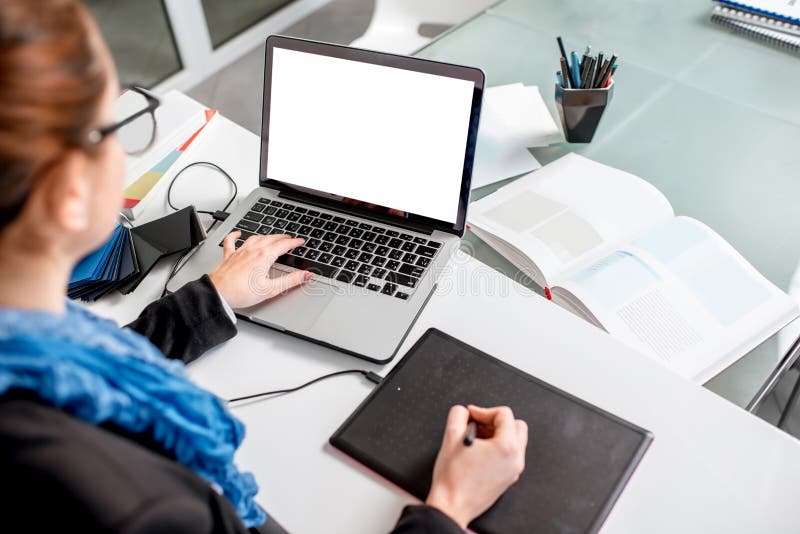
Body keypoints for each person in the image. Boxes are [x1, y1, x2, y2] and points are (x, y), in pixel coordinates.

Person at [0, 1, 528, 532]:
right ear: (70, 193)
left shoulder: (26, 347)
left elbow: (87, 373)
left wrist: (212, 298)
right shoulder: (143, 504)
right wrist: (449, 506)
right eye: (114, 124)